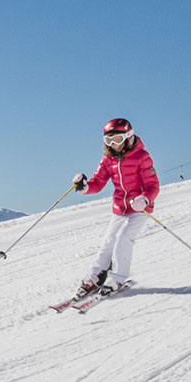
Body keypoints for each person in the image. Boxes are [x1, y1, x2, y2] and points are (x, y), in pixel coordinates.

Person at [68, 117, 160, 298]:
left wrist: (145, 199)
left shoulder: (142, 157)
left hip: (139, 208)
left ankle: (118, 279)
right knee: (107, 244)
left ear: (128, 137)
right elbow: (98, 181)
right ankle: (94, 279)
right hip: (120, 208)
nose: (113, 144)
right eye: (108, 140)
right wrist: (85, 187)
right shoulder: (108, 159)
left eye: (117, 139)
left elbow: (153, 185)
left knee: (123, 240)